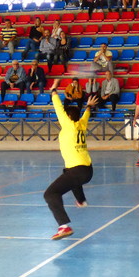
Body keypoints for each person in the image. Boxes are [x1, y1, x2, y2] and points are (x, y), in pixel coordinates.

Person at [44, 79, 96, 240]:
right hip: (87, 170)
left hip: (78, 170)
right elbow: (86, 115)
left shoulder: (68, 125)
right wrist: (88, 106)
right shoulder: (81, 125)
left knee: (50, 194)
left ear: (67, 116)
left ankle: (63, 226)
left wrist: (53, 91)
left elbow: (58, 107)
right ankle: (81, 200)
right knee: (68, 174)